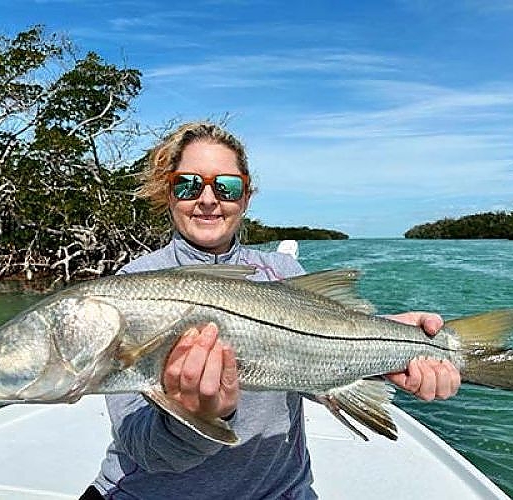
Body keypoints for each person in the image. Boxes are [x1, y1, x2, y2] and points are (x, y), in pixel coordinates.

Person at [81, 122, 461, 499]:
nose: (208, 199)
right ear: (169, 194)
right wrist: (199, 416)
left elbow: (317, 371)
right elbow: (144, 448)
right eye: (189, 184)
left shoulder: (284, 273)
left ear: (246, 197)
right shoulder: (130, 287)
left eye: (227, 187)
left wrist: (385, 347)